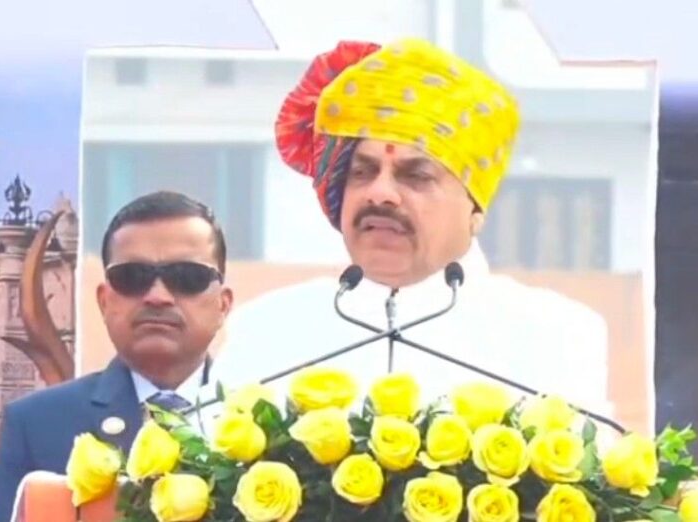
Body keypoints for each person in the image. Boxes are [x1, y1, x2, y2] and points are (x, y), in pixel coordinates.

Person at [210, 38, 612, 420]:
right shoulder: (270, 328)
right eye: (362, 172)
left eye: (415, 176)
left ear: (475, 207)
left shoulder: (553, 334)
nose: (381, 193)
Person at [0, 191, 233, 522]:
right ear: (104, 301)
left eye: (187, 277)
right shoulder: (37, 424)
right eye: (133, 277)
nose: (157, 296)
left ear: (223, 304)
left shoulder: (274, 427)